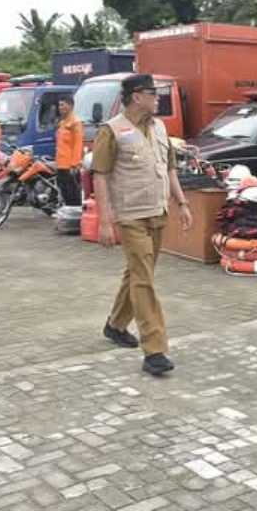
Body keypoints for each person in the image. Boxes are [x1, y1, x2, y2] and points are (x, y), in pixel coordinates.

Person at [91, 73, 193, 376]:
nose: (158, 98)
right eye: (154, 93)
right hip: (131, 216)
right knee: (144, 279)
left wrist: (183, 204)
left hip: (157, 212)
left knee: (138, 272)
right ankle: (155, 349)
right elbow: (100, 175)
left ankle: (115, 324)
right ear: (138, 96)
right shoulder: (112, 131)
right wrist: (105, 221)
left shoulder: (160, 127)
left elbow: (170, 168)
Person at [55, 97, 84, 206]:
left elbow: (78, 144)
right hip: (61, 164)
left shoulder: (76, 123)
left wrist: (74, 164)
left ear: (71, 106)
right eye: (59, 105)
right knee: (65, 193)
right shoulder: (62, 123)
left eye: (63, 105)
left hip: (70, 166)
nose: (60, 108)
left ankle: (76, 218)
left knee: (73, 195)